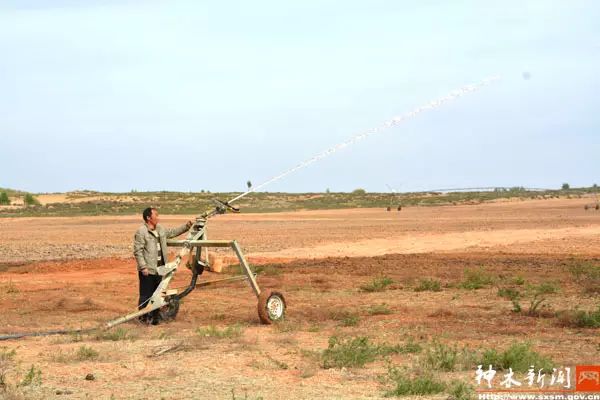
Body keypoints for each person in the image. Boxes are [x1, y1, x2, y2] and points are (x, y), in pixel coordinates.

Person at [133, 207, 192, 325]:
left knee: (158, 294)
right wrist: (143, 267)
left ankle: (155, 319)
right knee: (146, 295)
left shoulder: (160, 229)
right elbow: (138, 251)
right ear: (148, 218)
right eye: (156, 215)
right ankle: (143, 319)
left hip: (160, 269)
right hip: (148, 270)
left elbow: (172, 232)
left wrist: (187, 226)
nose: (158, 217)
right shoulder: (141, 231)